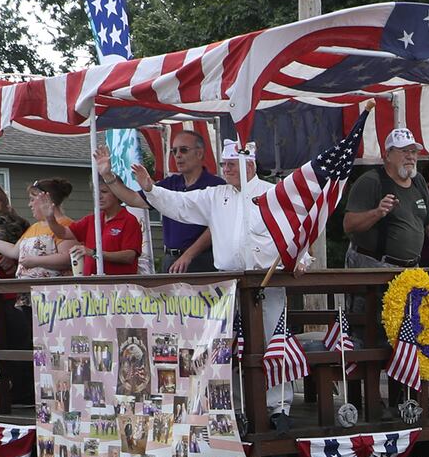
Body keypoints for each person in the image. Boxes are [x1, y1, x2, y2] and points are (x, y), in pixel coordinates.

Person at [99, 140, 298, 426]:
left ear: (249, 165)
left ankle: (279, 407)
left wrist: (300, 259)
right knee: (232, 348)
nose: (226, 169)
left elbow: (296, 230)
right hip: (229, 286)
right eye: (225, 164)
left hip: (267, 281)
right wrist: (151, 188)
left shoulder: (273, 194)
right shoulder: (216, 196)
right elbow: (180, 204)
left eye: (232, 164)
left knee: (272, 344)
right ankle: (240, 409)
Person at [343, 128, 429, 273]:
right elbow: (348, 225)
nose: (411, 157)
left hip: (411, 271)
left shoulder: (418, 181)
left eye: (413, 152)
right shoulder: (371, 181)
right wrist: (377, 213)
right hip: (373, 268)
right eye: (404, 151)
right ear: (387, 155)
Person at [154, 131, 226, 272]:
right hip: (170, 259)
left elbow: (217, 225)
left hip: (202, 261)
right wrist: (109, 176)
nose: (178, 155)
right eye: (174, 151)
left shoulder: (217, 186)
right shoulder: (169, 183)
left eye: (184, 150)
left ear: (199, 154)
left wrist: (188, 255)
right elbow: (134, 199)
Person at [46, 178, 144, 277]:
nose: (99, 196)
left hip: (118, 286)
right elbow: (62, 233)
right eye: (95, 192)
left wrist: (94, 253)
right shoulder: (92, 219)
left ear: (117, 194)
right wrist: (50, 218)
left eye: (104, 192)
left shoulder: (129, 220)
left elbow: (129, 256)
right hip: (91, 285)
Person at [0, 178, 79, 279]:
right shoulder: (35, 227)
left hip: (52, 290)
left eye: (32, 199)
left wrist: (35, 261)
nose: (29, 204)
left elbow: (67, 258)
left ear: (46, 199)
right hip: (27, 290)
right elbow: (14, 251)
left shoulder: (65, 225)